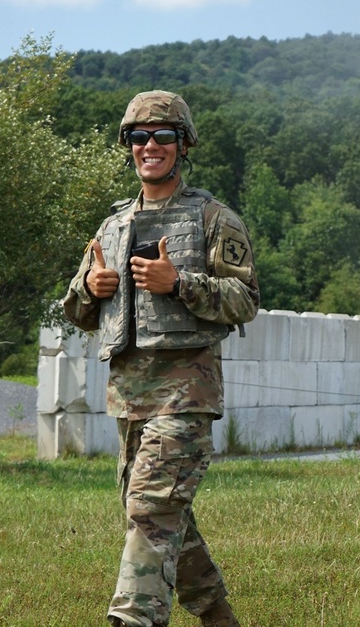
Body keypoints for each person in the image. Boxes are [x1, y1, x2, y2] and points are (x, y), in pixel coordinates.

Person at [62, 90, 259, 627]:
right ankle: (218, 617)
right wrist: (91, 287)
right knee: (160, 514)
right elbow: (75, 309)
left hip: (185, 395)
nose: (151, 146)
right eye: (139, 137)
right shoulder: (112, 226)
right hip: (129, 399)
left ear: (183, 145)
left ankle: (133, 619)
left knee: (150, 510)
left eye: (163, 137)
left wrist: (182, 284)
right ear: (127, 146)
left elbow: (246, 300)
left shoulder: (214, 219)